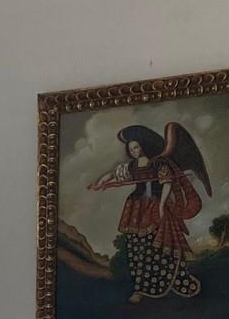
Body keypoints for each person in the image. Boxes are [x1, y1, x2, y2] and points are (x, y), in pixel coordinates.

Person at [88, 122, 211, 302]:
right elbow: (113, 174)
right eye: (131, 149)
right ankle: (140, 288)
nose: (135, 151)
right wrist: (99, 183)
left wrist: (161, 205)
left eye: (137, 147)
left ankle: (167, 282)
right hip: (135, 209)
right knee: (136, 249)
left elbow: (167, 183)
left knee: (159, 247)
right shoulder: (131, 166)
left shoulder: (158, 163)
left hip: (155, 207)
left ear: (143, 146)